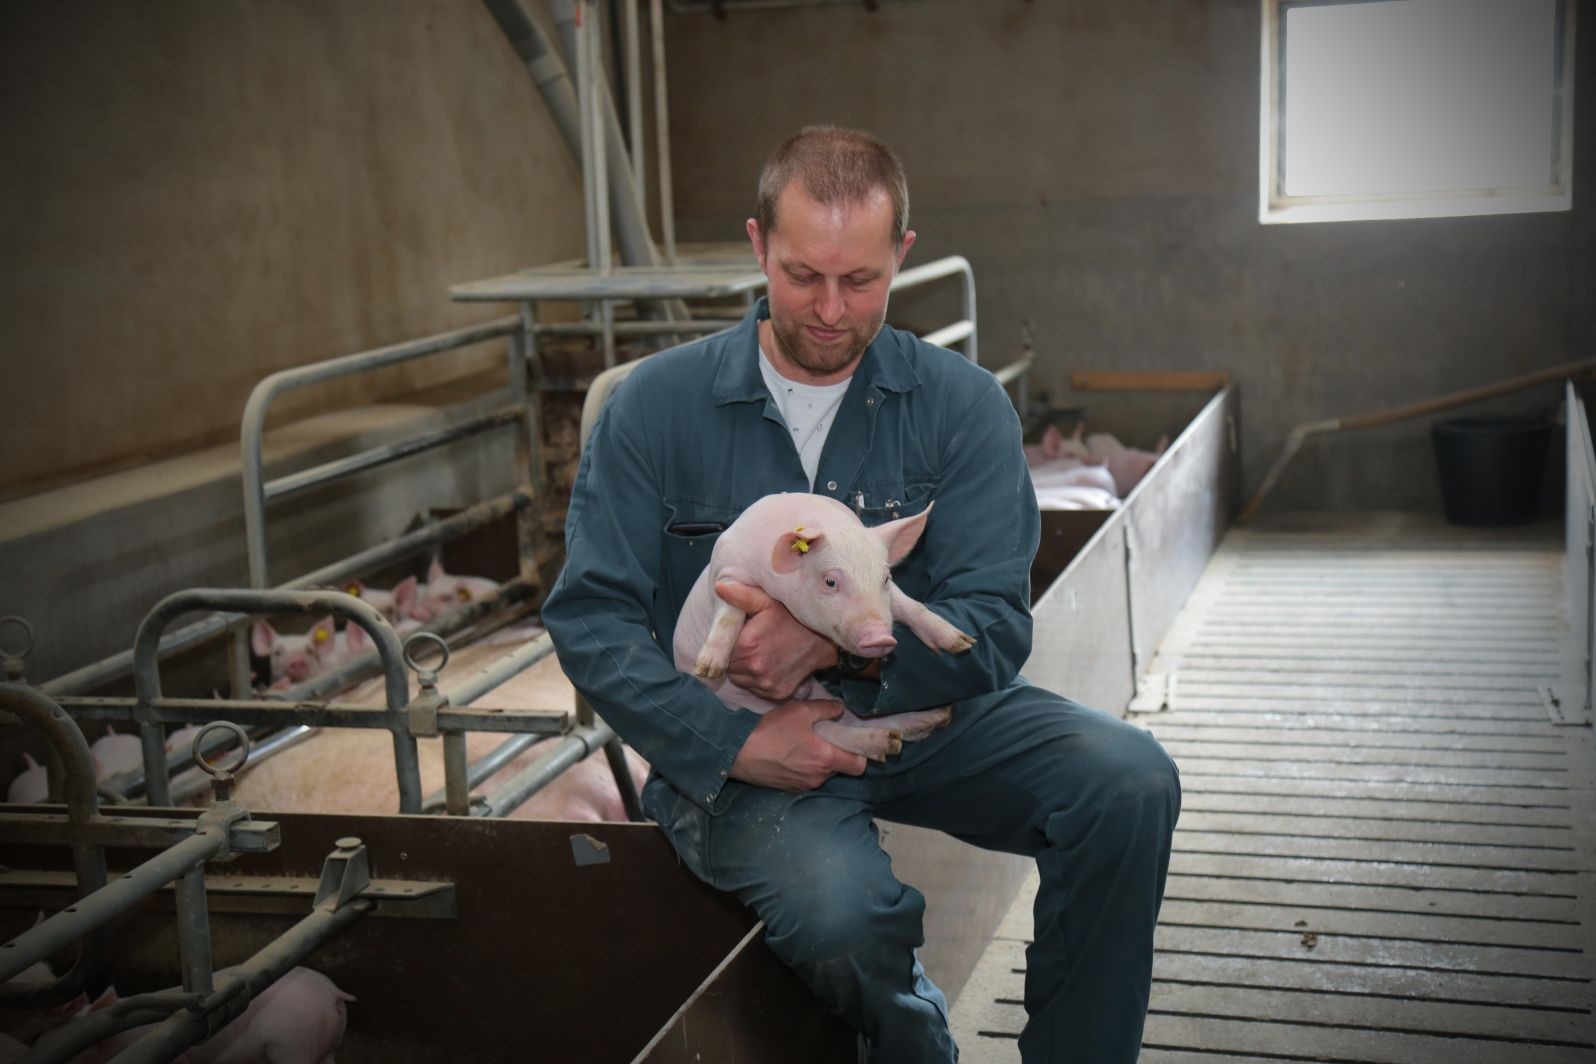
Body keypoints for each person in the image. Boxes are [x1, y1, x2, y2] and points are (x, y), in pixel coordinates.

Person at [541, 125, 1180, 1063]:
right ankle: (920, 1045)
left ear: (902, 257)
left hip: (917, 710)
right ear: (758, 245)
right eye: (802, 276)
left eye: (862, 280)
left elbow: (994, 627)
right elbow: (590, 617)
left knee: (1128, 782)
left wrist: (831, 649)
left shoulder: (959, 405)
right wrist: (735, 741)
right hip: (733, 740)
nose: (832, 310)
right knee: (845, 915)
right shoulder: (656, 406)